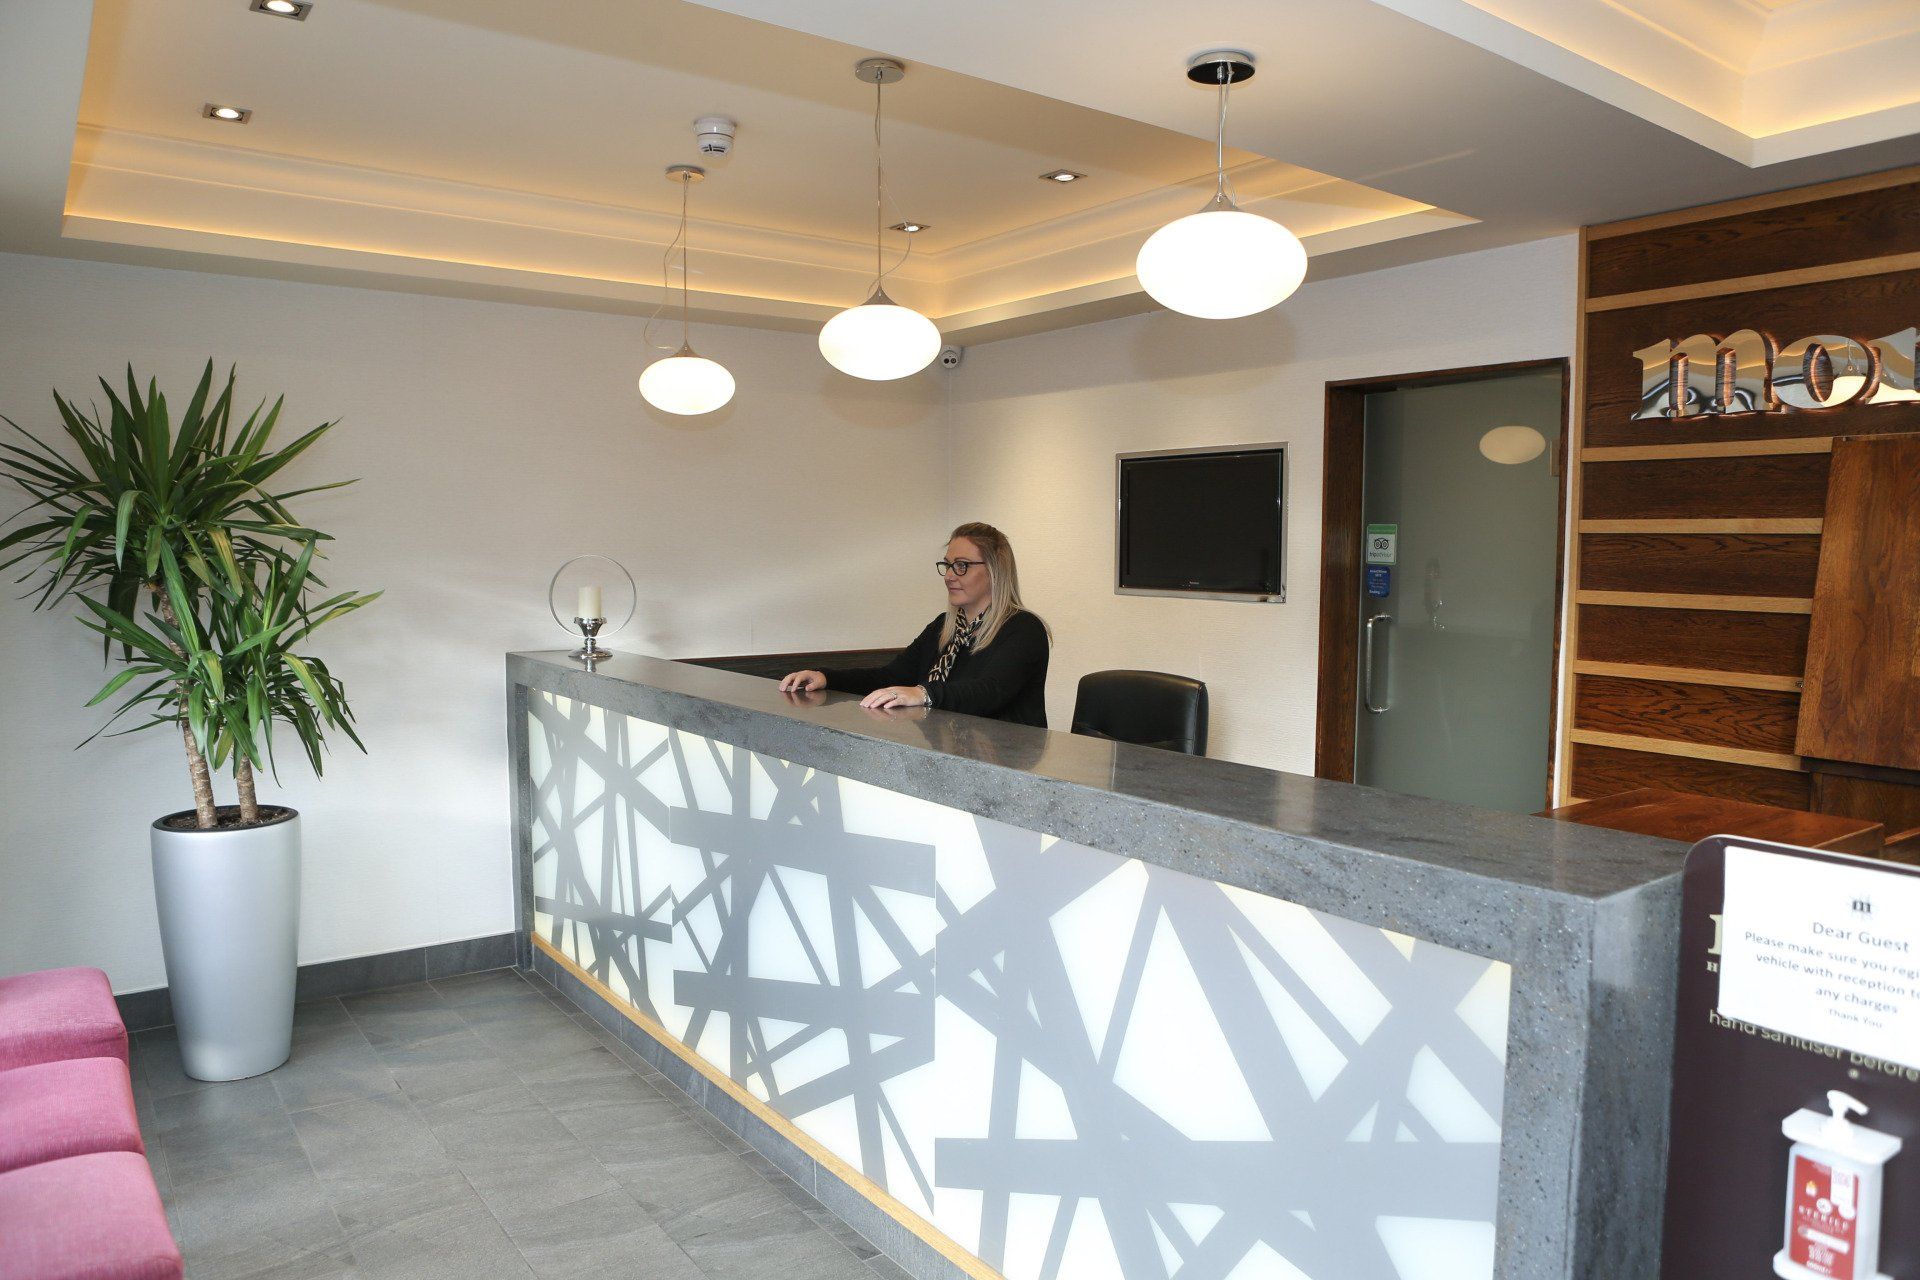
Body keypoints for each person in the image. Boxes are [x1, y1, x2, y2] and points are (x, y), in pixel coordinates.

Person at [779, 522, 1050, 727]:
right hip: (948, 756)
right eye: (947, 565)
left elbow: (989, 692)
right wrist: (827, 677)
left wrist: (923, 693)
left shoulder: (1024, 628)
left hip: (1008, 767)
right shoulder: (943, 627)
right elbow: (890, 677)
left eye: (962, 566)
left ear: (994, 571)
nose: (949, 576)